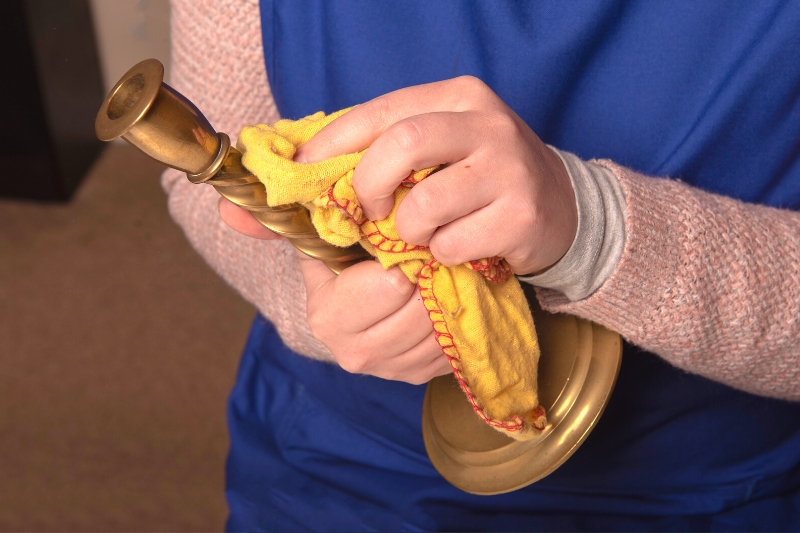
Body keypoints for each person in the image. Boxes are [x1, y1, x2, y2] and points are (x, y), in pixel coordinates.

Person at [162, 0, 800, 530]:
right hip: (341, 457)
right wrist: (319, 294)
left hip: (699, 485)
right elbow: (200, 164)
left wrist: (595, 231)